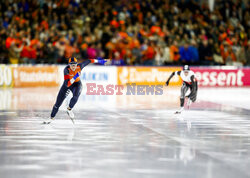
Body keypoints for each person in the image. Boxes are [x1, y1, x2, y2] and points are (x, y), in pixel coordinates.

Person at [43, 57, 107, 124]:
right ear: (69, 65)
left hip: (76, 84)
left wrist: (99, 61)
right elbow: (67, 84)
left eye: (75, 64)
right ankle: (51, 118)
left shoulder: (80, 66)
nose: (73, 66)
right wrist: (75, 76)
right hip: (67, 84)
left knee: (76, 96)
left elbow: (89, 60)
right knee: (57, 104)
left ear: (77, 64)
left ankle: (69, 109)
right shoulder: (66, 70)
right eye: (71, 65)